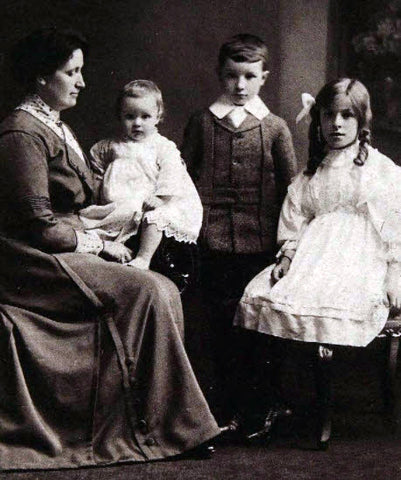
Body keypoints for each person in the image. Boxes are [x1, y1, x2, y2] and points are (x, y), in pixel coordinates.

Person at [0, 27, 220, 471]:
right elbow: (38, 225)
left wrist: (107, 223)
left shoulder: (52, 125)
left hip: (60, 246)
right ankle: (156, 429)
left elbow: (75, 207)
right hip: (34, 262)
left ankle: (168, 424)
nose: (82, 81)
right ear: (42, 77)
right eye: (72, 72)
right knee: (148, 290)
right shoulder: (21, 133)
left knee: (160, 286)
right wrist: (98, 243)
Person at [234, 78, 401, 438]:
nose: (336, 124)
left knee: (331, 304)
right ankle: (275, 401)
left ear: (362, 121)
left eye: (346, 116)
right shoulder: (312, 172)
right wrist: (288, 254)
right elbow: (294, 217)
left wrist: (394, 275)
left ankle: (321, 411)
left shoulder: (379, 170)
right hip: (313, 259)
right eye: (328, 115)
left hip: (358, 261)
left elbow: (395, 226)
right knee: (267, 294)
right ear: (318, 119)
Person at [181, 33, 297, 422]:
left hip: (261, 245)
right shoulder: (201, 123)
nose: (240, 85)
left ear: (264, 76)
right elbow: (181, 180)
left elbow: (291, 191)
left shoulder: (275, 128)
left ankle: (260, 405)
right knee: (217, 326)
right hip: (211, 241)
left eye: (250, 76)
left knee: (258, 325)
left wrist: (286, 246)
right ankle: (222, 407)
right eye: (232, 76)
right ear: (220, 75)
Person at [79, 80, 202, 271]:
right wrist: (98, 183)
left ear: (158, 116)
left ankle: (144, 257)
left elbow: (173, 173)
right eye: (130, 116)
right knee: (98, 221)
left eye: (145, 117)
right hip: (122, 201)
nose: (137, 123)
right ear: (120, 116)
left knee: (155, 217)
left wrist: (161, 197)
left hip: (150, 201)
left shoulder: (162, 146)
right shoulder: (111, 146)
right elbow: (96, 160)